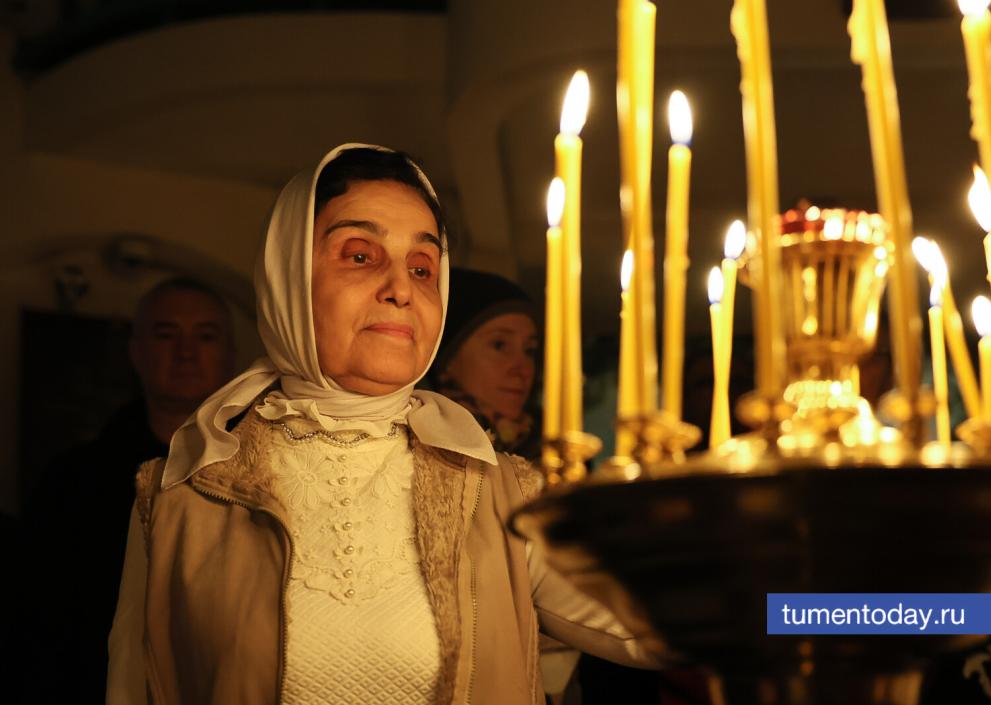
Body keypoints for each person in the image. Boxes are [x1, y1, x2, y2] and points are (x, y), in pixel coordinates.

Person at [106, 144, 660, 705]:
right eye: (360, 255)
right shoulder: (181, 498)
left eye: (422, 268)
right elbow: (131, 686)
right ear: (288, 278)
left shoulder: (498, 493)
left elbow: (660, 628)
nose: (401, 288)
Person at [18, 277, 235, 705]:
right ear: (136, 352)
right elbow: (39, 622)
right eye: (166, 334)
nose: (186, 352)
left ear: (230, 355)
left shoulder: (260, 476)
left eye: (205, 336)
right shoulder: (74, 480)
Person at [426, 267, 540, 458]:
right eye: (499, 345)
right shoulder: (413, 447)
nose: (523, 371)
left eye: (529, 350)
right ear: (448, 357)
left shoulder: (554, 454)